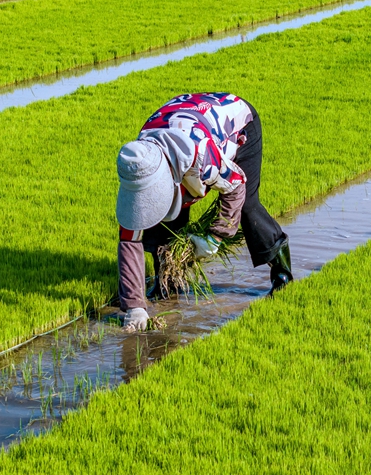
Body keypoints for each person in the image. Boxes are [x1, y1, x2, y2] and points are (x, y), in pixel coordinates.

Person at [115, 92, 292, 332]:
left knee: (247, 207)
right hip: (184, 120)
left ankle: (282, 274)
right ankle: (167, 281)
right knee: (161, 219)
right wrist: (134, 305)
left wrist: (215, 237)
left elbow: (236, 184)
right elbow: (129, 238)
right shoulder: (139, 164)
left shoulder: (203, 158)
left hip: (235, 123)